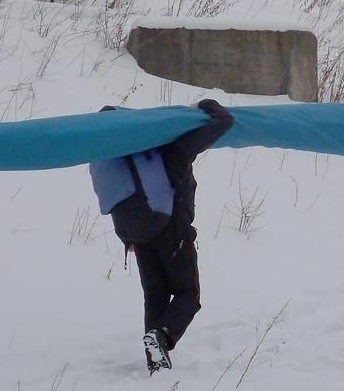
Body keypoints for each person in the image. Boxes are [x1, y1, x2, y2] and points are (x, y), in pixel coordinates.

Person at [88, 99, 234, 374]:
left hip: (138, 236)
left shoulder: (113, 157)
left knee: (155, 296)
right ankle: (162, 336)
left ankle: (156, 361)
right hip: (171, 228)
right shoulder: (169, 150)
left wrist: (129, 239)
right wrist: (204, 104)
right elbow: (224, 122)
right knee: (188, 294)